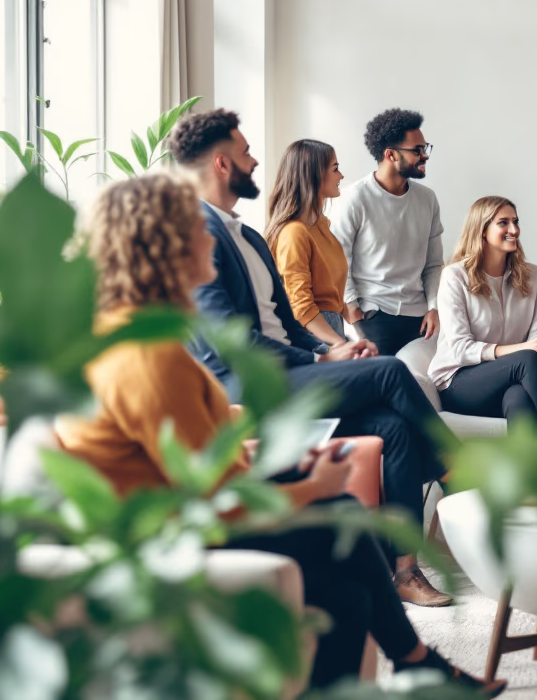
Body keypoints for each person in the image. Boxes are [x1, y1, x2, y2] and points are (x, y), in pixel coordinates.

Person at [59, 172, 504, 696]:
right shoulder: (149, 359)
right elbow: (210, 498)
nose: (210, 237)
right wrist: (311, 488)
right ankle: (416, 659)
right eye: (195, 230)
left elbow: (211, 458)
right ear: (165, 249)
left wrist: (297, 472)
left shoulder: (141, 338)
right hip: (169, 539)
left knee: (348, 590)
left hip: (184, 520)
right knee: (342, 510)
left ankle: (412, 662)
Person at [168, 109, 453, 607]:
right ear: (220, 163)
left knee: (395, 427)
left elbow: (291, 319)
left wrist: (330, 347)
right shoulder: (195, 235)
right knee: (390, 369)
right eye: (245, 153)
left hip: (293, 371)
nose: (256, 160)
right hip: (247, 388)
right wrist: (317, 361)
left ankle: (404, 572)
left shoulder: (249, 237)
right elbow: (228, 341)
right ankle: (459, 474)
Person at [428, 196, 537, 431]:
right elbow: (460, 348)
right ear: (482, 230)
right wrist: (525, 350)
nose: (514, 230)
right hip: (460, 382)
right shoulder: (454, 276)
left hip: (513, 379)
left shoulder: (533, 275)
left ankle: (536, 466)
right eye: (503, 223)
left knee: (518, 397)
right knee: (527, 360)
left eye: (516, 222)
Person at [332, 108, 443, 356]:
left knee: (425, 386)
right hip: (374, 316)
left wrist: (434, 307)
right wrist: (351, 307)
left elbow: (434, 264)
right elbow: (338, 261)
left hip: (421, 319)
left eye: (426, 148)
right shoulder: (355, 198)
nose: (424, 156)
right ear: (390, 155)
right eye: (417, 150)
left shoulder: (427, 199)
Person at [266, 139, 358, 347]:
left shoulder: (321, 226)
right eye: (335, 169)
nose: (341, 176)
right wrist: (339, 344)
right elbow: (301, 307)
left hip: (331, 329)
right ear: (314, 175)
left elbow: (328, 290)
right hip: (314, 336)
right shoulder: (294, 233)